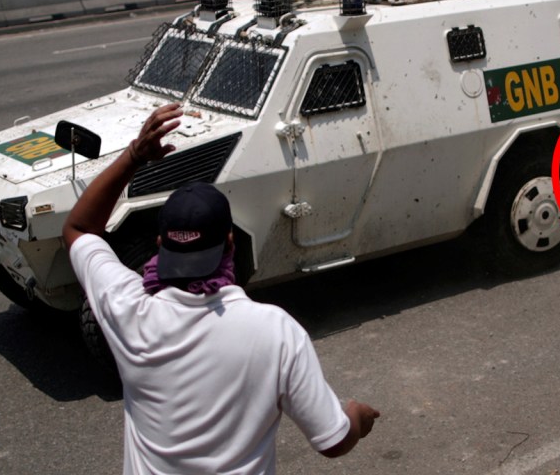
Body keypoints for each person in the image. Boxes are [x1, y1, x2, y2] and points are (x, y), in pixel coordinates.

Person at [62, 102, 379, 475]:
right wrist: (357, 417)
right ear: (230, 245)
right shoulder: (275, 331)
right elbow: (333, 441)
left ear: (160, 246)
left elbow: (79, 229)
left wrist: (134, 156)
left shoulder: (130, 311)